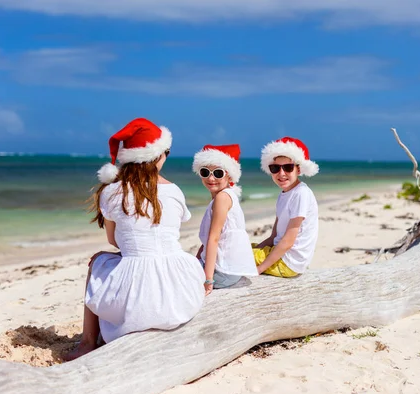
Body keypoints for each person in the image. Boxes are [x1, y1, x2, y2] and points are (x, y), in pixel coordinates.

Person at [64, 118, 205, 361]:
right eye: (166, 153)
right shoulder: (174, 190)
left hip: (138, 293)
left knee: (98, 262)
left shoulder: (111, 192)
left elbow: (114, 240)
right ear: (157, 155)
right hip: (179, 292)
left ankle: (87, 343)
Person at [192, 144, 258, 295]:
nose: (211, 178)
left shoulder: (222, 198)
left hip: (223, 272)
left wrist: (208, 281)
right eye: (205, 172)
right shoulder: (227, 195)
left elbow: (213, 239)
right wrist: (196, 262)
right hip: (230, 269)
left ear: (229, 175)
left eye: (218, 173)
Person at [252, 137, 319, 278]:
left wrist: (259, 269)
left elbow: (288, 241)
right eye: (275, 168)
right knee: (239, 249)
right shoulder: (284, 195)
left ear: (299, 169)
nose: (281, 173)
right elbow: (274, 237)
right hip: (282, 255)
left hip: (288, 262)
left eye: (288, 167)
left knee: (230, 255)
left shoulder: (301, 193)